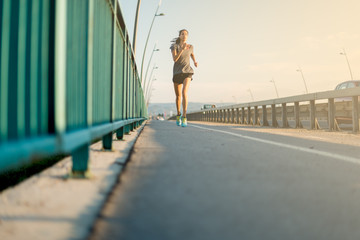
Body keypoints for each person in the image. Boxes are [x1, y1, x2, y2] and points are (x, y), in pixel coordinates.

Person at [170, 29, 198, 127]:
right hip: (177, 72)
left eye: (186, 34)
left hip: (187, 71)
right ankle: (178, 114)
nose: (184, 35)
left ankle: (184, 117)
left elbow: (192, 54)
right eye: (182, 34)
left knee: (184, 92)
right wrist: (181, 50)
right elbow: (175, 59)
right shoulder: (175, 46)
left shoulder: (190, 47)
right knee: (178, 96)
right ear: (179, 36)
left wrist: (194, 61)